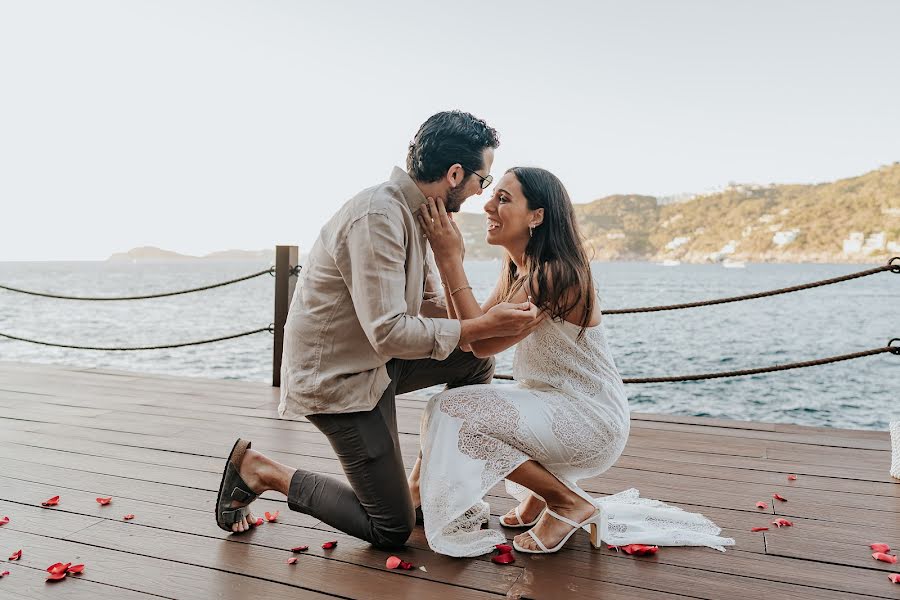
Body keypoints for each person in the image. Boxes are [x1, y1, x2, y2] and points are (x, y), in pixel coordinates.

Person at [213, 111, 543, 548]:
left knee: (477, 360)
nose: (481, 192)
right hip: (339, 379)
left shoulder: (421, 215)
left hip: (379, 362)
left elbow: (427, 307)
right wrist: (479, 324)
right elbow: (389, 332)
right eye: (483, 180)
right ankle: (261, 470)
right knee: (390, 529)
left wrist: (474, 312)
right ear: (455, 174)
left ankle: (419, 489)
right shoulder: (378, 216)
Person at [411, 167, 736, 556]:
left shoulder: (556, 274)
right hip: (557, 403)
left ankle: (567, 501)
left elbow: (474, 340)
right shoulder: (519, 268)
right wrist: (442, 265)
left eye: (504, 198)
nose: (488, 204)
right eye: (493, 195)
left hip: (588, 418)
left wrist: (450, 258)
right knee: (453, 408)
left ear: (537, 216)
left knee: (451, 410)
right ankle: (540, 495)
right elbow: (475, 338)